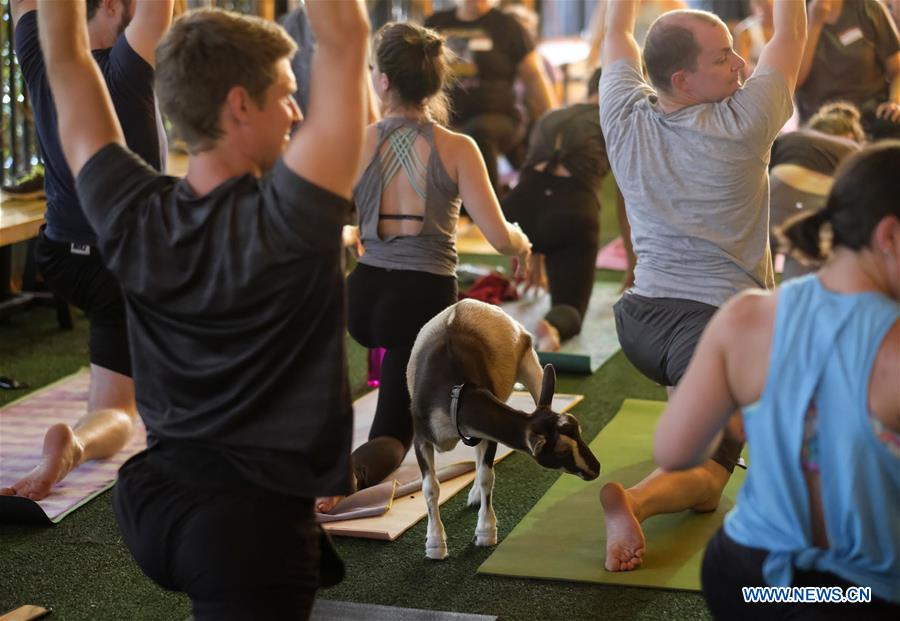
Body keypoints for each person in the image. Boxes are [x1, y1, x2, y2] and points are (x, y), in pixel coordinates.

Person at [35, 0, 369, 618]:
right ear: (240, 104)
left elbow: (65, 58)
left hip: (153, 505)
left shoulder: (132, 210)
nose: (297, 111)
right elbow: (346, 38)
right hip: (247, 531)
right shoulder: (291, 218)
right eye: (286, 95)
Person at [598, 0, 806, 571]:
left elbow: (616, 27)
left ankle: (668, 486)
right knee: (736, 453)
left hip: (639, 322)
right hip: (712, 328)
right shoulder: (743, 125)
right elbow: (791, 32)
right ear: (683, 80)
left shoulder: (621, 111)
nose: (742, 64)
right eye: (723, 58)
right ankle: (639, 500)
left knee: (707, 482)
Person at [655, 142, 900, 619]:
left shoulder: (746, 314)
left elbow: (675, 452)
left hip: (746, 577)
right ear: (889, 236)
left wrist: (743, 410)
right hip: (854, 596)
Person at [317, 22, 532, 512]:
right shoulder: (458, 148)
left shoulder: (356, 142)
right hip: (421, 303)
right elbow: (500, 237)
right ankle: (343, 477)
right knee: (397, 429)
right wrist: (522, 241)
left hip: (362, 298)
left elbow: (326, 221)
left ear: (384, 81)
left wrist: (355, 235)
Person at [1, 0, 172, 501]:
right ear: (116, 7)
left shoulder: (40, 58)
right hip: (122, 265)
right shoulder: (126, 69)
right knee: (120, 410)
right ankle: (76, 444)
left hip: (57, 257)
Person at [500, 67, 629, 352]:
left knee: (548, 223)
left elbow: (533, 182)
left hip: (516, 212)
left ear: (589, 89)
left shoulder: (553, 115)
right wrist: (633, 266)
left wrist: (532, 252)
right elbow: (626, 204)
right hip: (571, 214)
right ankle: (553, 327)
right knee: (569, 308)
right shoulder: (617, 122)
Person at [425, 0, 558, 191]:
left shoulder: (508, 26)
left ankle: (488, 211)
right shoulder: (436, 23)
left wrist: (555, 123)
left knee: (479, 132)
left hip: (500, 120)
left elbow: (534, 77)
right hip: (445, 120)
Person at [769, 101, 863, 279]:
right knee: (804, 264)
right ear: (851, 134)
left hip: (779, 187)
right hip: (820, 201)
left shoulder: (793, 137)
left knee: (761, 259)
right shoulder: (855, 149)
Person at [797, 0, 900, 139]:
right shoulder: (794, 13)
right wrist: (815, 24)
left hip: (871, 113)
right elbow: (795, 81)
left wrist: (895, 102)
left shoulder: (868, 7)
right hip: (820, 121)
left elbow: (897, 70)